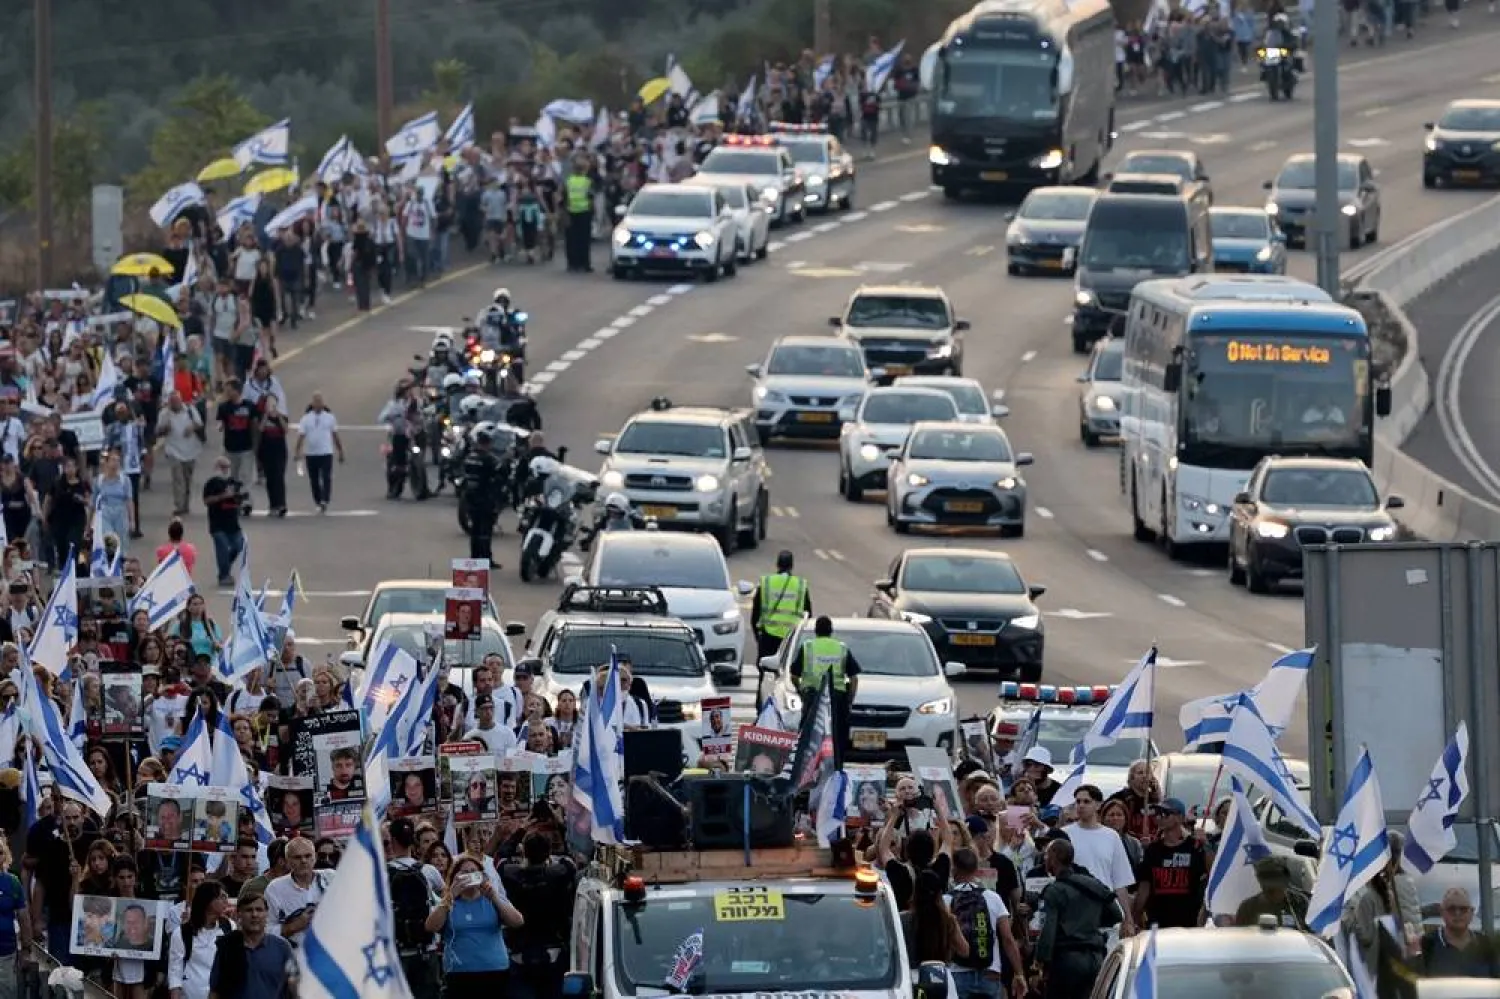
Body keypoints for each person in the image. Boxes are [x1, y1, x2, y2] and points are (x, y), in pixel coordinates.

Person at [422, 855, 525, 999]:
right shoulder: (448, 902)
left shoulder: (492, 898)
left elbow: (517, 921)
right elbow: (431, 926)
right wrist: (451, 895)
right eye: (464, 872)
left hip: (494, 971)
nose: (469, 875)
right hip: (459, 974)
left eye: (473, 871)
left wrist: (494, 897)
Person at [1031, 838, 1122, 998]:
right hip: (1096, 958)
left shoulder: (1054, 891)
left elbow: (1048, 932)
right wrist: (1090, 921)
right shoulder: (1092, 884)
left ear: (1053, 857)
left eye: (1046, 855)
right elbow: (1116, 914)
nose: (1044, 860)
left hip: (1067, 962)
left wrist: (1038, 965)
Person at [499, 831, 578, 999]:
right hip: (553, 951)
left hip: (519, 952)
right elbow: (570, 862)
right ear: (549, 853)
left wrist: (516, 834)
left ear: (523, 851)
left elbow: (501, 859)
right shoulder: (559, 873)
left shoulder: (510, 874)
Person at [945, 847, 1027, 999]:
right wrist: (1019, 973)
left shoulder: (946, 900)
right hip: (990, 974)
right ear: (976, 869)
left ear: (953, 869)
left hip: (957, 973)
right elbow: (1008, 939)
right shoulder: (992, 898)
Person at [1060, 785, 1137, 938]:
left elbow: (1120, 882)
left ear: (1098, 805)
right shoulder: (1064, 834)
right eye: (1078, 801)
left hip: (1105, 911)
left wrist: (1128, 918)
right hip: (1073, 912)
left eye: (1086, 801)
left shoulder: (1111, 836)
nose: (1081, 805)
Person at [789, 616, 859, 768]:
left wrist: (802, 692)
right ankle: (836, 768)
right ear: (831, 631)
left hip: (813, 697)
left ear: (815, 631)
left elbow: (794, 675)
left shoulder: (807, 647)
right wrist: (849, 701)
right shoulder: (841, 648)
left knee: (810, 736)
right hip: (837, 699)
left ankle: (808, 768)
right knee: (837, 736)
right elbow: (854, 678)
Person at [208, 887, 295, 999]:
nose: (254, 915)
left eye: (259, 910)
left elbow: (294, 989)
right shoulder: (227, 947)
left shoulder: (282, 948)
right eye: (249, 910)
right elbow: (215, 991)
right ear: (239, 914)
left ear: (266, 914)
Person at [1133, 798, 1206, 929]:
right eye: (1157, 813)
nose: (1159, 817)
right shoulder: (1153, 850)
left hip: (1188, 922)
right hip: (1157, 923)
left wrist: (1207, 846)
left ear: (1180, 817)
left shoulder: (1194, 847)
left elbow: (1211, 874)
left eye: (1165, 813)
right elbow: (1144, 887)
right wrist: (1135, 917)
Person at [168, 880, 232, 999]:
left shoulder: (229, 927)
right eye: (222, 897)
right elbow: (175, 971)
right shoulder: (182, 933)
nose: (226, 902)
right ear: (208, 901)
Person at [1419, 887, 1500, 977]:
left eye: (1463, 909)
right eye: (1451, 909)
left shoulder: (1485, 943)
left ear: (1471, 912)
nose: (1457, 913)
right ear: (1442, 912)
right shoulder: (1427, 943)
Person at [751, 550, 811, 659]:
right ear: (792, 566)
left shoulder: (766, 582)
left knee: (766, 670)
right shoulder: (800, 584)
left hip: (769, 636)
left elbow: (755, 613)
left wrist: (758, 637)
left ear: (777, 564)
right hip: (791, 637)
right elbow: (808, 614)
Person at [294, 391, 344, 513]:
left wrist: (340, 450)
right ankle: (317, 500)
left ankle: (325, 499)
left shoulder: (330, 417)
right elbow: (301, 435)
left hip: (326, 452)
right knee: (314, 479)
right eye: (316, 401)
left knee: (326, 477)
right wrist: (297, 451)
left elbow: (335, 435)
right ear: (312, 403)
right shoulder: (306, 418)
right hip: (311, 453)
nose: (318, 404)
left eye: (320, 401)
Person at [461, 426, 503, 566]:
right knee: (485, 531)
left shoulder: (470, 457)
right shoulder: (489, 460)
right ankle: (486, 559)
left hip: (470, 498)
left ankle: (474, 556)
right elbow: (498, 476)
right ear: (488, 443)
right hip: (485, 498)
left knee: (475, 529)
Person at [1232, 855, 1310, 929]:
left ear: (1285, 878)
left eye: (1275, 876)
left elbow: (1312, 935)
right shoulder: (1248, 908)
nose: (1271, 882)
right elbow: (1240, 937)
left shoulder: (1300, 903)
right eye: (1265, 877)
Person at [201, 455, 245, 586]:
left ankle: (225, 564)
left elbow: (236, 500)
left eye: (227, 467)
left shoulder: (231, 482)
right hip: (217, 524)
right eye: (223, 467)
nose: (226, 470)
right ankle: (224, 575)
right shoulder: (212, 483)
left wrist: (238, 498)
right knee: (222, 549)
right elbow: (206, 501)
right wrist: (223, 496)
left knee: (240, 545)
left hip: (233, 524)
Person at [577, 491, 645, 551]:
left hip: (629, 547)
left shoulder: (634, 520)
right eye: (610, 511)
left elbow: (645, 535)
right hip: (610, 547)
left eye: (616, 512)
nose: (613, 514)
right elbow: (595, 531)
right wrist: (587, 542)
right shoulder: (604, 520)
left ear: (623, 511)